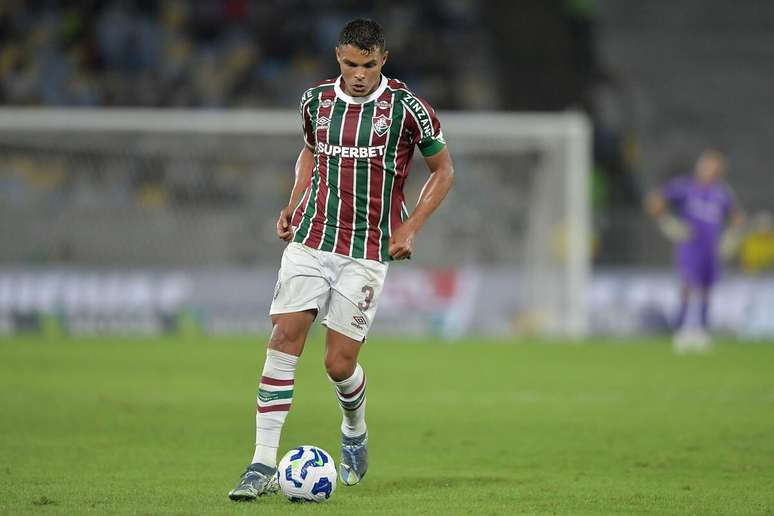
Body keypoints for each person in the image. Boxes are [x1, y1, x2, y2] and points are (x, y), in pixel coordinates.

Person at [228, 18, 454, 500]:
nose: (359, 74)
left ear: (383, 60)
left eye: (369, 65)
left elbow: (444, 170)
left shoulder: (408, 108)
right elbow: (310, 153)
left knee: (337, 363)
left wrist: (411, 226)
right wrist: (293, 202)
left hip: (367, 251)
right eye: (351, 64)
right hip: (312, 239)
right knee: (284, 337)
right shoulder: (315, 101)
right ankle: (261, 463)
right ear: (338, 57)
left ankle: (354, 427)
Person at [646, 150, 743, 352]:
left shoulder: (722, 193)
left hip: (711, 248)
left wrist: (731, 237)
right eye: (710, 166)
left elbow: (737, 217)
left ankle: (703, 331)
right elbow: (655, 201)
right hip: (691, 246)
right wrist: (668, 223)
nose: (713, 171)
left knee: (707, 290)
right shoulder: (684, 187)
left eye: (717, 168)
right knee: (688, 286)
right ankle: (681, 330)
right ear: (701, 166)